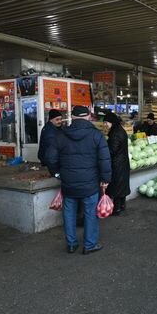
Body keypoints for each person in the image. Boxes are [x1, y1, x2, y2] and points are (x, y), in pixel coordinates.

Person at [45, 105, 111, 255]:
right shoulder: (97, 135)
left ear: (73, 118)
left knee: (68, 213)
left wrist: (56, 173)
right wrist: (105, 179)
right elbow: (105, 160)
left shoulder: (60, 135)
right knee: (90, 213)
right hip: (90, 183)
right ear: (88, 117)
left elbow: (50, 157)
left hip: (68, 183)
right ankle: (89, 244)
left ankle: (71, 244)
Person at [103, 112, 130, 216]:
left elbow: (112, 150)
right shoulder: (119, 130)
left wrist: (104, 149)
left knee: (116, 186)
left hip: (117, 163)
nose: (105, 124)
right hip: (122, 162)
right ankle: (122, 206)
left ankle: (116, 209)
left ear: (112, 122)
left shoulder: (115, 133)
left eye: (106, 122)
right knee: (121, 185)